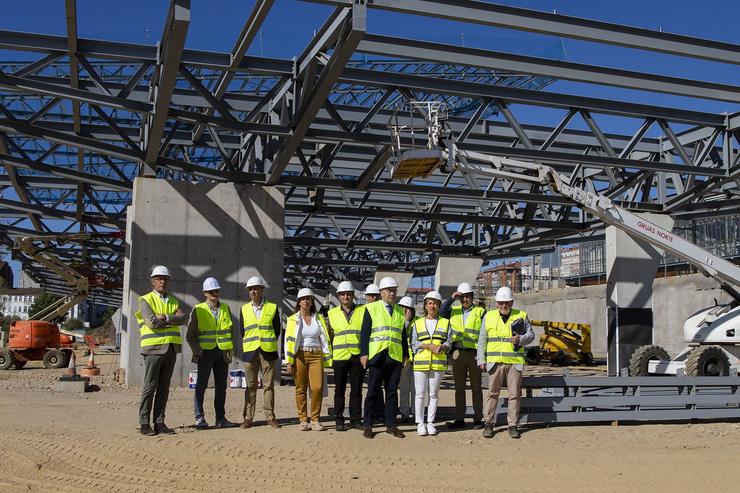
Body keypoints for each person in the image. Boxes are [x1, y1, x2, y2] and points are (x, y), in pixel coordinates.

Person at [477, 286, 535, 439]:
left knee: (514, 395)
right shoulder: (488, 317)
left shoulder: (521, 316)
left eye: (507, 302)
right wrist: (481, 359)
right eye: (501, 302)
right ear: (497, 303)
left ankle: (512, 425)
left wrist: (521, 339)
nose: (504, 305)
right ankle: (488, 423)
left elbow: (531, 335)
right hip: (494, 362)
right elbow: (482, 339)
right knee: (492, 393)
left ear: (512, 302)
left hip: (514, 362)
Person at [135, 265, 187, 436]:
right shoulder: (145, 300)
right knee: (150, 387)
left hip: (171, 349)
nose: (162, 281)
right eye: (158, 278)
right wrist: (172, 318)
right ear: (153, 281)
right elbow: (151, 322)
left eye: (164, 279)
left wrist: (164, 317)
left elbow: (182, 319)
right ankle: (144, 423)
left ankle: (159, 422)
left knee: (164, 388)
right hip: (153, 349)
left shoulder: (173, 301)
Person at [360, 276, 409, 439]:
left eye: (394, 291)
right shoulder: (372, 308)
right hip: (377, 356)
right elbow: (365, 333)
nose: (392, 294)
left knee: (392, 392)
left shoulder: (400, 311)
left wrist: (405, 354)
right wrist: (364, 353)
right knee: (373, 391)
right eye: (389, 291)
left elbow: (403, 335)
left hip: (394, 356)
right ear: (381, 292)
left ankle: (391, 424)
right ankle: (368, 424)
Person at [186, 277, 235, 430]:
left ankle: (220, 418)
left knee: (221, 387)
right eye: (211, 291)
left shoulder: (225, 308)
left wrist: (228, 348)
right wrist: (198, 351)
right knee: (201, 385)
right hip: (205, 352)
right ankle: (199, 418)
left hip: (222, 352)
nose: (214, 293)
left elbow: (230, 331)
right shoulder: (198, 309)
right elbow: (190, 335)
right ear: (205, 293)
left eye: (216, 291)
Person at [440, 282, 486, 430]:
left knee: (476, 388)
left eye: (467, 297)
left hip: (474, 354)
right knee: (459, 388)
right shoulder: (454, 310)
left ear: (472, 297)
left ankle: (478, 419)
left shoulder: (480, 312)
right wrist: (452, 298)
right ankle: (459, 418)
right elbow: (441, 312)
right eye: (462, 297)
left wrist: (483, 356)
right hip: (457, 353)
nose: (465, 300)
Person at [285, 288, 333, 431]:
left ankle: (315, 419)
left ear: (312, 301)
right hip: (299, 355)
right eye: (303, 298)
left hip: (316, 355)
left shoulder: (318, 318)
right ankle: (303, 419)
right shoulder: (292, 319)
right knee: (300, 388)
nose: (306, 301)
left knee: (317, 387)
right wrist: (289, 360)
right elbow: (288, 340)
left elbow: (324, 337)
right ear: (299, 302)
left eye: (308, 298)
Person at [240, 275, 282, 429]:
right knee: (250, 386)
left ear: (262, 289)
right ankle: (248, 418)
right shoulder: (244, 309)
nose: (253, 291)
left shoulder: (272, 307)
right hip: (250, 351)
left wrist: (266, 342)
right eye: (250, 289)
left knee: (268, 386)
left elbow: (276, 330)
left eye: (256, 288)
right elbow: (242, 331)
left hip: (268, 352)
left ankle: (270, 417)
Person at [411, 291, 452, 436]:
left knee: (434, 394)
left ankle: (430, 423)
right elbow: (414, 343)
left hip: (437, 363)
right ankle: (420, 423)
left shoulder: (445, 323)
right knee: (420, 394)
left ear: (439, 306)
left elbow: (449, 341)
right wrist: (428, 346)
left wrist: (443, 347)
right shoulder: (418, 323)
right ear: (425, 305)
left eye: (435, 303)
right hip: (421, 364)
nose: (432, 306)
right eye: (429, 303)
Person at [327, 281, 365, 431]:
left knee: (356, 390)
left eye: (348, 294)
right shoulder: (332, 314)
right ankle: (339, 420)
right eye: (343, 294)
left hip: (357, 356)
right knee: (339, 390)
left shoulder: (362, 311)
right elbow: (328, 336)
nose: (346, 296)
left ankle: (355, 420)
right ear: (338, 296)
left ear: (352, 295)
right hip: (340, 356)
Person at [397, 296, 416, 423]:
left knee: (416, 389)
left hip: (417, 359)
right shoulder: (398, 321)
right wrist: (405, 322)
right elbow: (398, 334)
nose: (405, 310)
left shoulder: (419, 321)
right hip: (404, 359)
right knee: (404, 388)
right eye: (403, 307)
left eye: (408, 308)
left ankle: (415, 413)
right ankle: (404, 413)